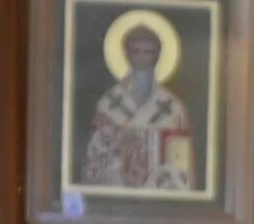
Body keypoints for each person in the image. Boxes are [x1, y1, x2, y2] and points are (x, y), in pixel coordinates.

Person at [79, 20, 193, 191]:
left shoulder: (172, 108)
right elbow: (96, 159)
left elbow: (180, 162)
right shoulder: (109, 104)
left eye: (148, 52)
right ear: (127, 55)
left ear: (157, 56)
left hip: (159, 193)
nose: (142, 58)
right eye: (136, 51)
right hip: (117, 194)